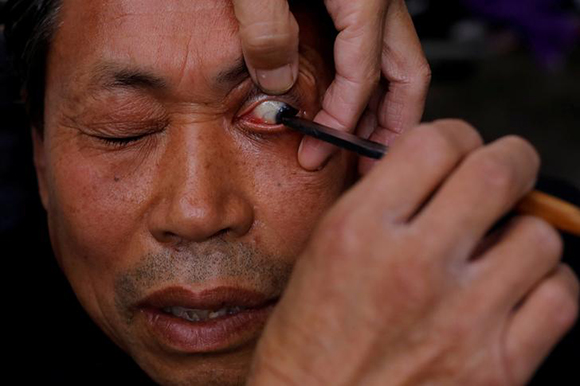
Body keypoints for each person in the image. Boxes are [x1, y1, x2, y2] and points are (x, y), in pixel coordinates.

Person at [2, 0, 578, 385]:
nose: (198, 212)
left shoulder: (538, 288)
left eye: (272, 116)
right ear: (39, 151)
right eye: (121, 127)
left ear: (370, 118)